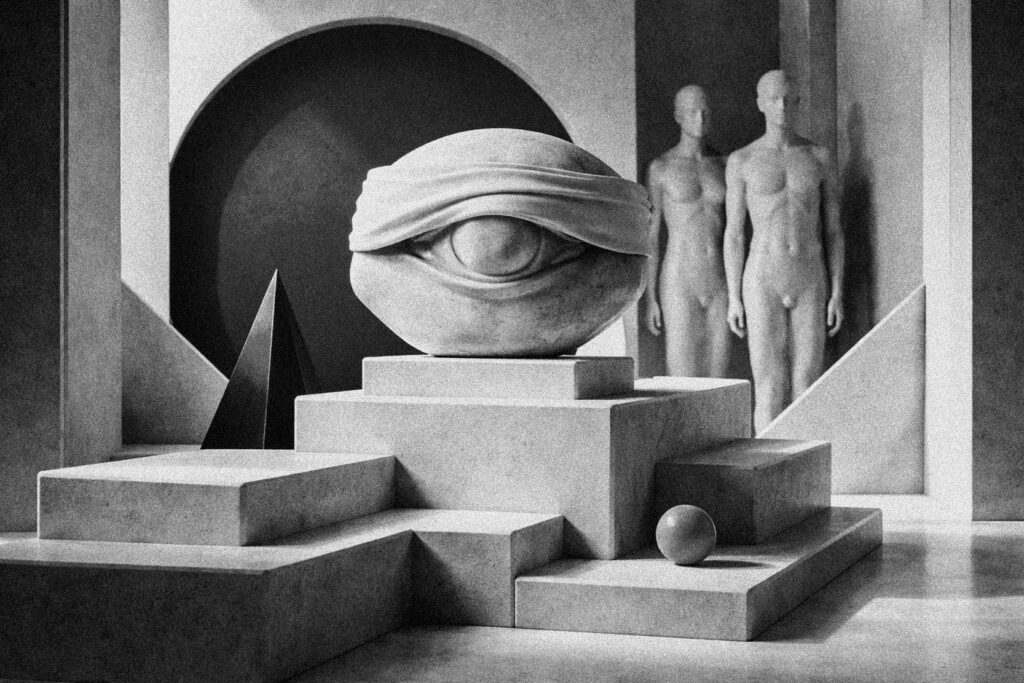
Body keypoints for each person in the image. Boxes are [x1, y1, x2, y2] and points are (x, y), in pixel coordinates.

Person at [723, 70, 844, 431]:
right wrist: (733, 297)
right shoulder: (742, 160)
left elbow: (834, 230)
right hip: (763, 276)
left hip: (809, 275)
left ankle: (805, 464)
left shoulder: (819, 157)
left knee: (807, 384)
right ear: (760, 104)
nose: (782, 107)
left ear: (798, 102)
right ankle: (766, 464)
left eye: (789, 99)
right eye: (774, 99)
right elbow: (734, 234)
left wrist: (837, 291)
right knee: (769, 387)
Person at [643, 85, 730, 377]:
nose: (700, 118)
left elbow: (737, 231)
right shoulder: (661, 167)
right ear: (678, 117)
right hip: (679, 277)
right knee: (682, 375)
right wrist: (650, 296)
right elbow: (652, 236)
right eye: (692, 111)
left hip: (718, 276)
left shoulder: (725, 164)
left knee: (719, 379)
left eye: (705, 111)